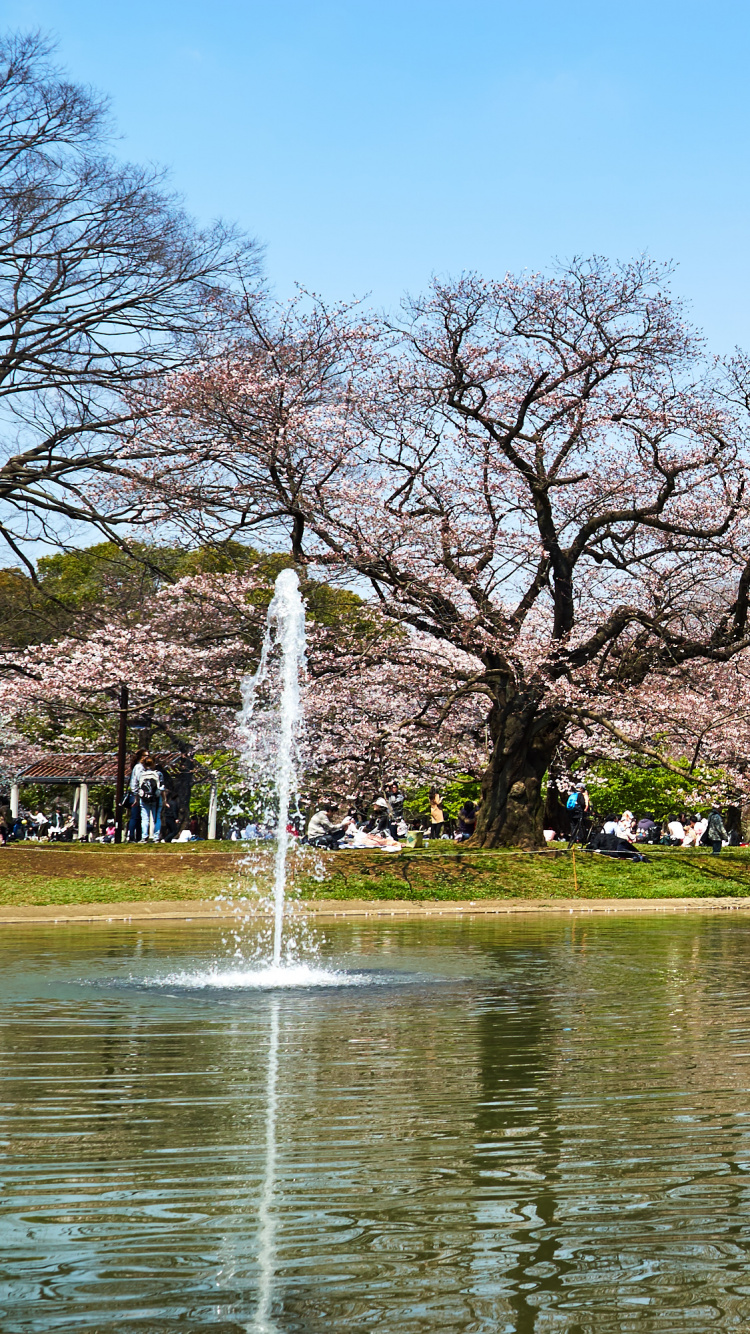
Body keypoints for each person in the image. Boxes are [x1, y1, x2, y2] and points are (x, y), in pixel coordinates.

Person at [138, 754, 165, 842]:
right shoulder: (158, 774)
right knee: (156, 818)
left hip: (144, 798)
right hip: (156, 798)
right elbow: (162, 787)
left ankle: (144, 836)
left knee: (145, 818)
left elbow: (138, 786)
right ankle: (156, 836)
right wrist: (164, 799)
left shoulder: (141, 774)